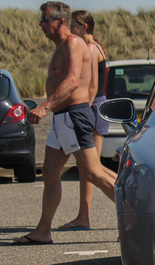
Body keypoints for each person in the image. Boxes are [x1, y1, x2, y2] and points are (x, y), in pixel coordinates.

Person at [13, 1, 115, 245]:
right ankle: (43, 231)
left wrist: (44, 107)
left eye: (45, 19)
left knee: (92, 172)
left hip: (73, 116)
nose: (41, 24)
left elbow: (72, 83)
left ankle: (136, 220)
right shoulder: (60, 46)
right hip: (62, 119)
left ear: (60, 21)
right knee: (49, 172)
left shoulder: (73, 43)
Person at [57, 9, 117, 231]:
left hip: (92, 107)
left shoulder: (91, 49)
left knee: (91, 169)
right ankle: (84, 215)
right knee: (90, 168)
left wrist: (83, 110)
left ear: (84, 27)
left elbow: (91, 86)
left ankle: (87, 216)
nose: (71, 30)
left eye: (73, 26)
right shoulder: (95, 47)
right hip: (94, 106)